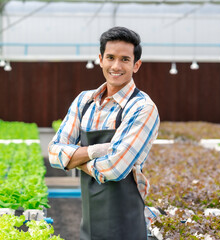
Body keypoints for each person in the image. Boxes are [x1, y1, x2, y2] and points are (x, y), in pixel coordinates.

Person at [48, 26, 160, 240]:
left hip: (125, 229)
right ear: (100, 59)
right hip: (88, 227)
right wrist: (94, 151)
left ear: (136, 65)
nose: (116, 66)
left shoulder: (142, 108)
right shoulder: (84, 101)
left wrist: (73, 159)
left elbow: (114, 168)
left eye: (125, 59)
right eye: (110, 57)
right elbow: (53, 153)